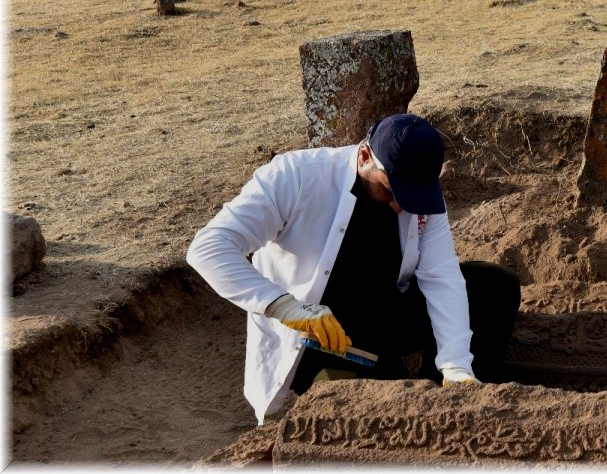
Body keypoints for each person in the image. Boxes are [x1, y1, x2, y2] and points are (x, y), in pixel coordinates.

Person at [188, 113, 520, 424]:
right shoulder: (294, 176)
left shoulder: (418, 195)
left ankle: (458, 408)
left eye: (413, 195)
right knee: (361, 411)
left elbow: (442, 276)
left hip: (385, 314)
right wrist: (284, 306)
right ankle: (335, 385)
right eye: (391, 190)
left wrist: (456, 363)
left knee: (492, 286)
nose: (400, 205)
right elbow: (209, 248)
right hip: (321, 335)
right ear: (364, 157)